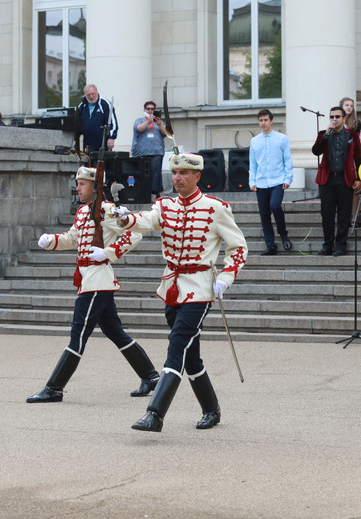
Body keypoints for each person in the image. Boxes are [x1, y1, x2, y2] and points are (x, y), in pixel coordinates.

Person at [116, 152, 248, 433]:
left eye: (184, 173)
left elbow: (239, 247)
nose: (177, 178)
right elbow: (147, 220)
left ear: (197, 176)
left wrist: (226, 278)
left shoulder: (215, 208)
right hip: (172, 285)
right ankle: (211, 409)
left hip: (199, 289)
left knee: (177, 346)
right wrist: (126, 218)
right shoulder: (164, 206)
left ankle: (155, 414)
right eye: (174, 173)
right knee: (191, 355)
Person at [27, 166, 160, 403]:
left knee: (78, 335)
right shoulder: (82, 212)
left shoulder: (108, 211)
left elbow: (135, 233)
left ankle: (54, 388)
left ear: (95, 186)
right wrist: (51, 241)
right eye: (77, 183)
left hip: (96, 281)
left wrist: (108, 252)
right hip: (89, 279)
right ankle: (150, 376)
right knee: (115, 332)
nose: (77, 188)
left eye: (82, 184)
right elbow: (73, 239)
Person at [312, 106, 361, 256]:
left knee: (343, 213)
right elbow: (316, 151)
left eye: (337, 117)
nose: (334, 120)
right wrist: (325, 135)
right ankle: (327, 244)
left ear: (344, 118)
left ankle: (340, 245)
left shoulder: (352, 136)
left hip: (344, 179)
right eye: (331, 117)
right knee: (326, 213)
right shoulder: (324, 134)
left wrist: (360, 179)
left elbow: (359, 159)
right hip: (327, 180)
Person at [249, 109, 293, 255]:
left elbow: (287, 160)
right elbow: (253, 163)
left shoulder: (282, 138)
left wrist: (288, 179)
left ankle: (283, 234)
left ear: (271, 121)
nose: (263, 123)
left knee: (275, 205)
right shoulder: (254, 141)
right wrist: (252, 181)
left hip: (278, 181)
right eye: (261, 120)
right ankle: (271, 245)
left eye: (266, 120)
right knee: (264, 214)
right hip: (261, 182)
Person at [131, 100, 171, 199]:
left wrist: (159, 124)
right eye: (148, 109)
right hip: (142, 152)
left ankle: (156, 192)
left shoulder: (160, 122)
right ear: (144, 110)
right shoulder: (139, 120)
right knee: (143, 173)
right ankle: (144, 193)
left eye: (152, 109)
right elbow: (138, 129)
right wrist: (148, 121)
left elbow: (166, 133)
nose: (150, 111)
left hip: (157, 152)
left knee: (156, 173)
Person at [75, 84, 117, 152]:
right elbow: (77, 125)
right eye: (88, 95)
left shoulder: (105, 104)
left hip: (103, 146)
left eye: (93, 94)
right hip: (87, 145)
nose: (91, 96)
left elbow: (113, 123)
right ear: (85, 95)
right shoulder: (82, 106)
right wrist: (75, 139)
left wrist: (111, 138)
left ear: (97, 92)